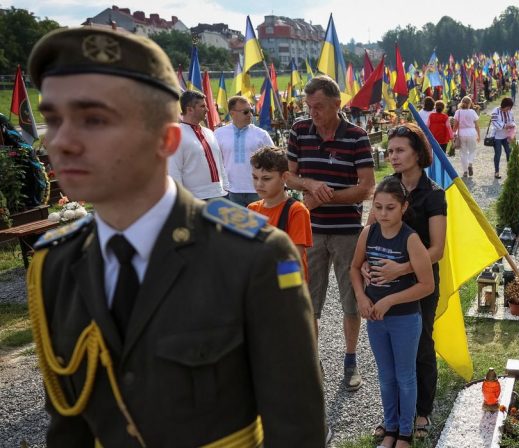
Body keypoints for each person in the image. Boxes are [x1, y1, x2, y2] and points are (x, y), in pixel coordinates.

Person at [27, 27, 325, 446]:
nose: (62, 141)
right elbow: (67, 425)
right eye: (53, 120)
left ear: (165, 140)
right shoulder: (55, 263)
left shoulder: (250, 257)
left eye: (94, 120)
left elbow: (295, 429)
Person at [286, 75, 376, 391]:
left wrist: (326, 196)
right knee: (309, 302)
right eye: (309, 107)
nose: (313, 113)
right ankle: (313, 362)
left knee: (352, 301)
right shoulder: (299, 131)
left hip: (347, 232)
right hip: (308, 232)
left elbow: (367, 188)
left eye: (319, 107)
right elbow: (288, 175)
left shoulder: (356, 136)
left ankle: (351, 361)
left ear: (337, 104)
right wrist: (310, 185)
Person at [365, 123, 447, 441]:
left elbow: (437, 249)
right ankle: (395, 416)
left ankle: (422, 411)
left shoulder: (434, 194)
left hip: (420, 281)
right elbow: (371, 229)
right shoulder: (388, 187)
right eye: (390, 150)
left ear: (417, 153)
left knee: (421, 346)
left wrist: (400, 269)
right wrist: (363, 269)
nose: (393, 156)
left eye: (400, 150)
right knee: (390, 355)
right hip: (384, 283)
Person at [350, 177, 435, 448]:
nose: (383, 214)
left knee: (405, 376)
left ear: (404, 207)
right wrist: (362, 297)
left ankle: (406, 434)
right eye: (378, 207)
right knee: (385, 376)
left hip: (405, 320)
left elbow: (427, 285)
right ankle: (391, 428)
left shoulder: (410, 239)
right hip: (376, 319)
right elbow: (354, 268)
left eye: (390, 208)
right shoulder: (368, 233)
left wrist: (390, 301)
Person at [249, 146, 313, 280]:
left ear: (284, 177)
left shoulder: (297, 211)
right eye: (255, 177)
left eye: (266, 178)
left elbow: (294, 256)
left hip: (287, 286)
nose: (259, 184)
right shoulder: (252, 209)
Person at [169, 90, 229, 200]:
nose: (207, 109)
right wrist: (181, 200)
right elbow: (173, 171)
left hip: (221, 195)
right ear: (190, 109)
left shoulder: (210, 133)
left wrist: (226, 188)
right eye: (202, 106)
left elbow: (220, 163)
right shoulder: (176, 135)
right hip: (196, 199)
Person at [215, 95, 273, 206]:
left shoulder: (261, 135)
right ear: (232, 113)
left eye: (251, 110)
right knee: (234, 224)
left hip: (258, 190)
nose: (250, 114)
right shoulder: (218, 134)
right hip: (230, 191)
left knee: (260, 223)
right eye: (246, 112)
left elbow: (275, 161)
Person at [452, 96, 480, 178]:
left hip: (461, 133)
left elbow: (455, 125)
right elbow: (477, 125)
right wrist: (479, 135)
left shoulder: (458, 112)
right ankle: (470, 163)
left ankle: (465, 171)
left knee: (463, 153)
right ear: (470, 104)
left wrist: (453, 134)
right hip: (471, 132)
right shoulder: (472, 112)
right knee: (472, 150)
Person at [488, 97, 516, 179]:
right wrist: (505, 125)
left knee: (509, 152)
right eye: (508, 107)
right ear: (504, 105)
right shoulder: (495, 111)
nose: (509, 109)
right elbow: (494, 123)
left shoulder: (510, 112)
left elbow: (513, 120)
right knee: (498, 154)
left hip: (507, 136)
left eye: (510, 108)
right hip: (497, 137)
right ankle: (496, 172)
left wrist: (512, 127)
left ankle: (509, 170)